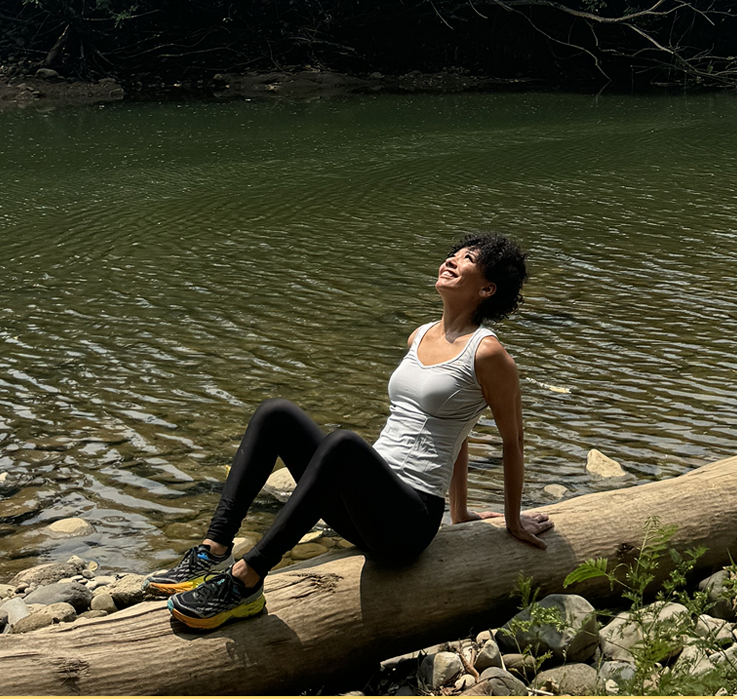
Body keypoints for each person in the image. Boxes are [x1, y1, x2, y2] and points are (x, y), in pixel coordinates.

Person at [144, 232, 554, 629]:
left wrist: (512, 520)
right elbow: (456, 432)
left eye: (468, 259)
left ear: (487, 289)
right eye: (455, 253)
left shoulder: (488, 352)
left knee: (343, 443)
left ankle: (247, 580)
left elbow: (513, 441)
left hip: (406, 525)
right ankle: (214, 550)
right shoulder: (420, 335)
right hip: (364, 509)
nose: (452, 259)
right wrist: (461, 513)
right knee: (275, 413)